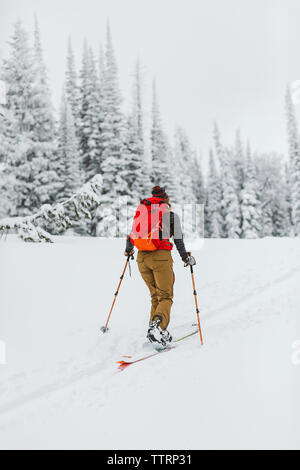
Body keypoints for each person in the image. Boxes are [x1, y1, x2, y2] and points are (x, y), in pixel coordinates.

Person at [125, 185, 196, 348]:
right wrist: (186, 258)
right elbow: (178, 240)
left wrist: (128, 251)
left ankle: (155, 331)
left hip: (142, 258)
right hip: (160, 257)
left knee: (155, 297)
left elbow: (131, 235)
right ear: (166, 200)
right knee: (165, 296)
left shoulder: (143, 213)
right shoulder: (171, 216)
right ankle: (157, 328)